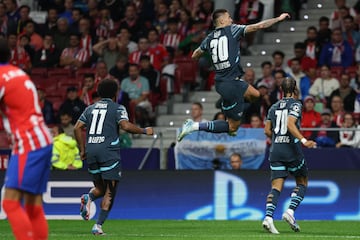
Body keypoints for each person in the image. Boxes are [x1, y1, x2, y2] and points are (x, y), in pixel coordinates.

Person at [177, 9, 290, 141]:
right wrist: (278, 19)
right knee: (232, 128)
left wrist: (213, 58)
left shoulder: (209, 37)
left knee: (256, 95)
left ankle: (232, 114)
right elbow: (259, 26)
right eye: (229, 17)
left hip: (226, 82)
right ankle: (194, 126)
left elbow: (195, 54)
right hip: (230, 85)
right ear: (222, 20)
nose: (231, 20)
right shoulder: (232, 29)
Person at [74, 78, 154, 235]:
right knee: (110, 191)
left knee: (100, 188)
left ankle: (88, 197)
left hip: (91, 150)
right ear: (116, 93)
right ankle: (98, 226)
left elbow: (77, 128)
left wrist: (82, 150)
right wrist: (144, 131)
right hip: (108, 152)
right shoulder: (118, 108)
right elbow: (125, 125)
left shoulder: (90, 108)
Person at [0, 38, 53, 239]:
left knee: (10, 203)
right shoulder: (18, 73)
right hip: (43, 139)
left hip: (28, 143)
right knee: (33, 206)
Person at [262, 77, 316, 234]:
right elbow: (290, 123)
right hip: (291, 150)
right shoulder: (296, 104)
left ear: (281, 90)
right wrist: (304, 140)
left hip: (275, 150)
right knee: (302, 181)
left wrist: (277, 138)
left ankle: (268, 218)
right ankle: (290, 211)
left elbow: (266, 130)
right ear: (295, 90)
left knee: (276, 187)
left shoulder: (273, 107)